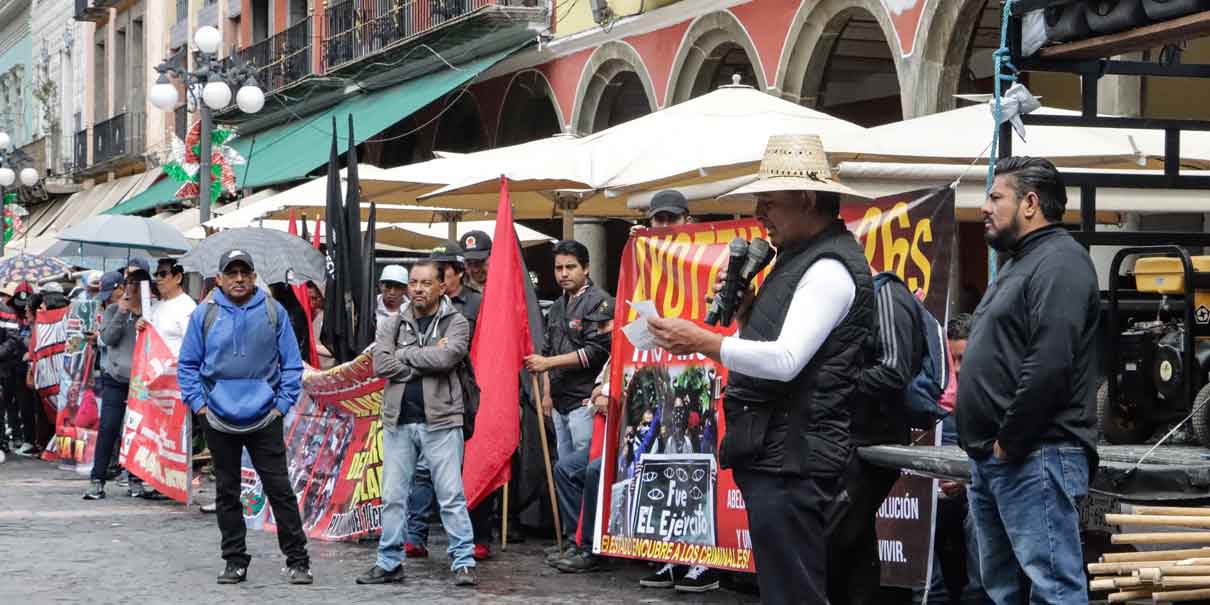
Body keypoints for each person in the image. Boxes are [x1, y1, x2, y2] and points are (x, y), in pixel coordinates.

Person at [646, 134, 875, 604]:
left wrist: (704, 341)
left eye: (769, 201)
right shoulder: (802, 259)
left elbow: (787, 361)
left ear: (807, 199)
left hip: (795, 461)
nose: (760, 211)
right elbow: (781, 348)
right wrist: (748, 314)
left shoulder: (828, 269)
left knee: (794, 593)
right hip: (781, 457)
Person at [957, 157, 1098, 605]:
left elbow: (1050, 364)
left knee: (1053, 589)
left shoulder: (1059, 262)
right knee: (1003, 590)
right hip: (1001, 458)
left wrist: (1009, 442)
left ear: (1031, 203)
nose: (985, 207)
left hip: (1035, 454)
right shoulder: (1020, 262)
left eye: (996, 197)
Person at [177, 250, 311, 585]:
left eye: (244, 272)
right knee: (227, 492)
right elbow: (188, 365)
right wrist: (200, 406)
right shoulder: (203, 314)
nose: (238, 278)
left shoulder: (272, 311)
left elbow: (293, 364)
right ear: (219, 279)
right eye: (231, 273)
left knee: (279, 489)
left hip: (266, 416)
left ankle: (298, 560)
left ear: (253, 277)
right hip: (218, 418)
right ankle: (235, 560)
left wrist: (281, 405)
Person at [358, 261, 478, 587]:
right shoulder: (392, 324)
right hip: (399, 421)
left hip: (441, 421)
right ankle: (389, 562)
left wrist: (406, 354)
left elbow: (448, 357)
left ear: (442, 286)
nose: (418, 289)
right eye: (413, 282)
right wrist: (423, 355)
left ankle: (463, 561)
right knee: (393, 496)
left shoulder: (457, 322)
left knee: (451, 494)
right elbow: (382, 363)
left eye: (426, 283)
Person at [827, 267, 921, 605]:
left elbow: (894, 370)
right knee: (853, 541)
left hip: (872, 442)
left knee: (833, 537)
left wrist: (836, 383)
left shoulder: (885, 294)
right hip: (854, 441)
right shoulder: (858, 304)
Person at [915, 314, 991, 605]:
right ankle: (928, 594)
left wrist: (964, 480)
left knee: (978, 510)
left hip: (972, 489)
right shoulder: (932, 392)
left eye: (963, 359)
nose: (957, 369)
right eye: (952, 360)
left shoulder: (990, 395)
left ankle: (977, 595)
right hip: (933, 491)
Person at [524, 240, 613, 460]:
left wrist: (549, 363)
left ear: (586, 268)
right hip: (557, 401)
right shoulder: (556, 306)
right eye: (558, 268)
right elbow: (547, 350)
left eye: (570, 267)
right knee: (563, 469)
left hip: (585, 401)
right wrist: (546, 394)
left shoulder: (599, 301)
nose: (563, 273)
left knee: (581, 470)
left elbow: (596, 353)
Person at [85, 267, 151, 500]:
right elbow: (108, 339)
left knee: (138, 431)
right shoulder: (114, 309)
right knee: (109, 429)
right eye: (129, 283)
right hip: (115, 379)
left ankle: (135, 478)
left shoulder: (151, 312)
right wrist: (123, 313)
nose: (133, 288)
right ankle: (97, 479)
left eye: (138, 284)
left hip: (142, 382)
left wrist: (144, 320)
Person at [0, 285, 32, 454]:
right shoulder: (10, 310)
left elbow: (12, 339)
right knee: (8, 403)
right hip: (10, 364)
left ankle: (14, 437)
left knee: (15, 403)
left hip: (11, 365)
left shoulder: (6, 312)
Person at [141, 259, 197, 356]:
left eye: (163, 274)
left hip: (175, 369)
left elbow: (193, 348)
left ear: (178, 278)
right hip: (151, 368)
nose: (158, 278)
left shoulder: (188, 307)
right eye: (156, 274)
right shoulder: (155, 306)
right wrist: (140, 327)